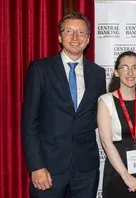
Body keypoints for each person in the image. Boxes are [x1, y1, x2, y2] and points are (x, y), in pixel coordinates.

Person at [21, 12, 106, 198]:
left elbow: (96, 117)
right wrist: (36, 166)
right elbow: (29, 123)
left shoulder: (98, 74)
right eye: (69, 31)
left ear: (88, 38)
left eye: (81, 32)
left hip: (86, 169)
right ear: (59, 37)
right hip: (48, 167)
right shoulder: (40, 69)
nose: (75, 37)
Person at [98, 51, 136, 198]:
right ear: (116, 72)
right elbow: (107, 144)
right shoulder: (106, 101)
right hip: (118, 172)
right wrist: (126, 176)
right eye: (124, 67)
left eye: (135, 67)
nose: (130, 72)